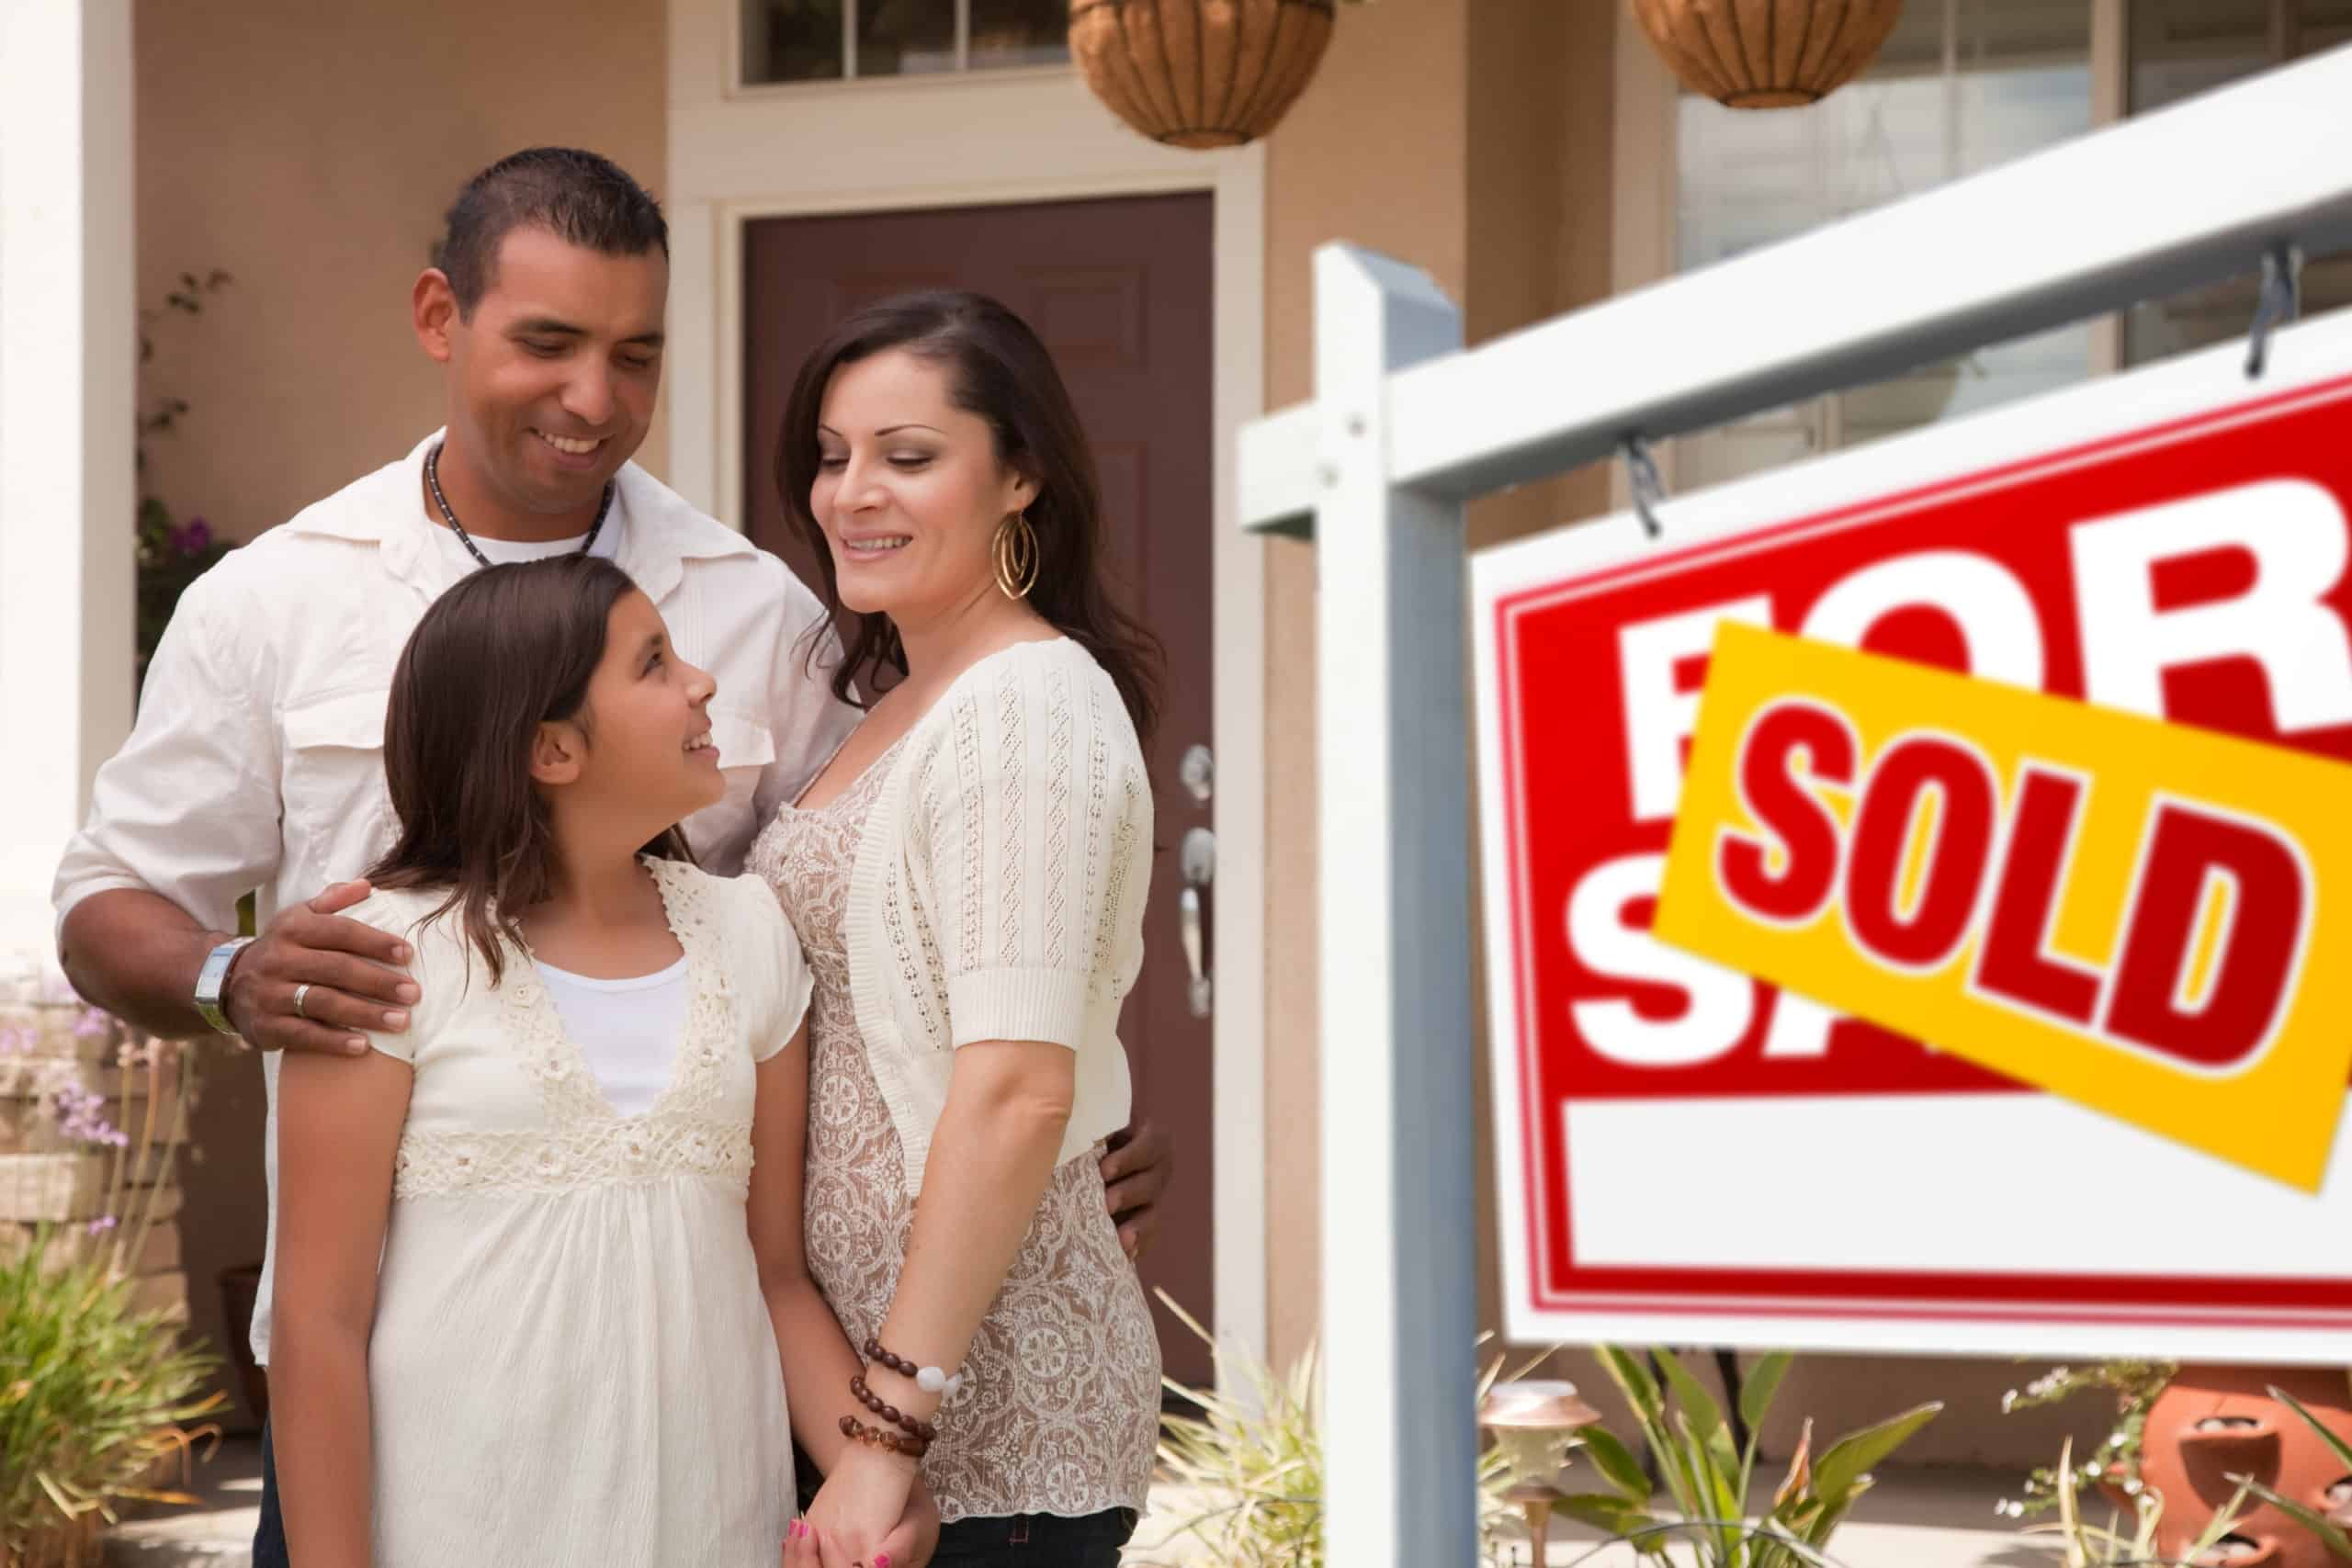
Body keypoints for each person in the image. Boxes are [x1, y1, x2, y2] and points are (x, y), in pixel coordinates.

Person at [50, 149, 1169, 1568]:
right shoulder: (276, 597)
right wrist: (232, 972)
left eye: (635, 354)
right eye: (549, 342)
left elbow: (926, 891)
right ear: (439, 317)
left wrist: (1067, 1104)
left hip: (717, 1391)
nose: (595, 397)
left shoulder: (764, 606)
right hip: (402, 1387)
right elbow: (103, 901)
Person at [273, 554, 912, 1566]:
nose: (702, 682)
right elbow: (320, 1321)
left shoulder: (748, 935)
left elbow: (777, 1273)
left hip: (705, 1518)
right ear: (552, 750)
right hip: (456, 1525)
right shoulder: (385, 960)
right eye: (654, 664)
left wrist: (873, 1469)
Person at [751, 291, 1162, 1568]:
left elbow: (1018, 1090)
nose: (850, 493)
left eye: (908, 456)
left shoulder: (1028, 700)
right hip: (874, 1410)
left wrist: (884, 1430)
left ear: (1021, 475)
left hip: (991, 1429)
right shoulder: (889, 700)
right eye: (832, 455)